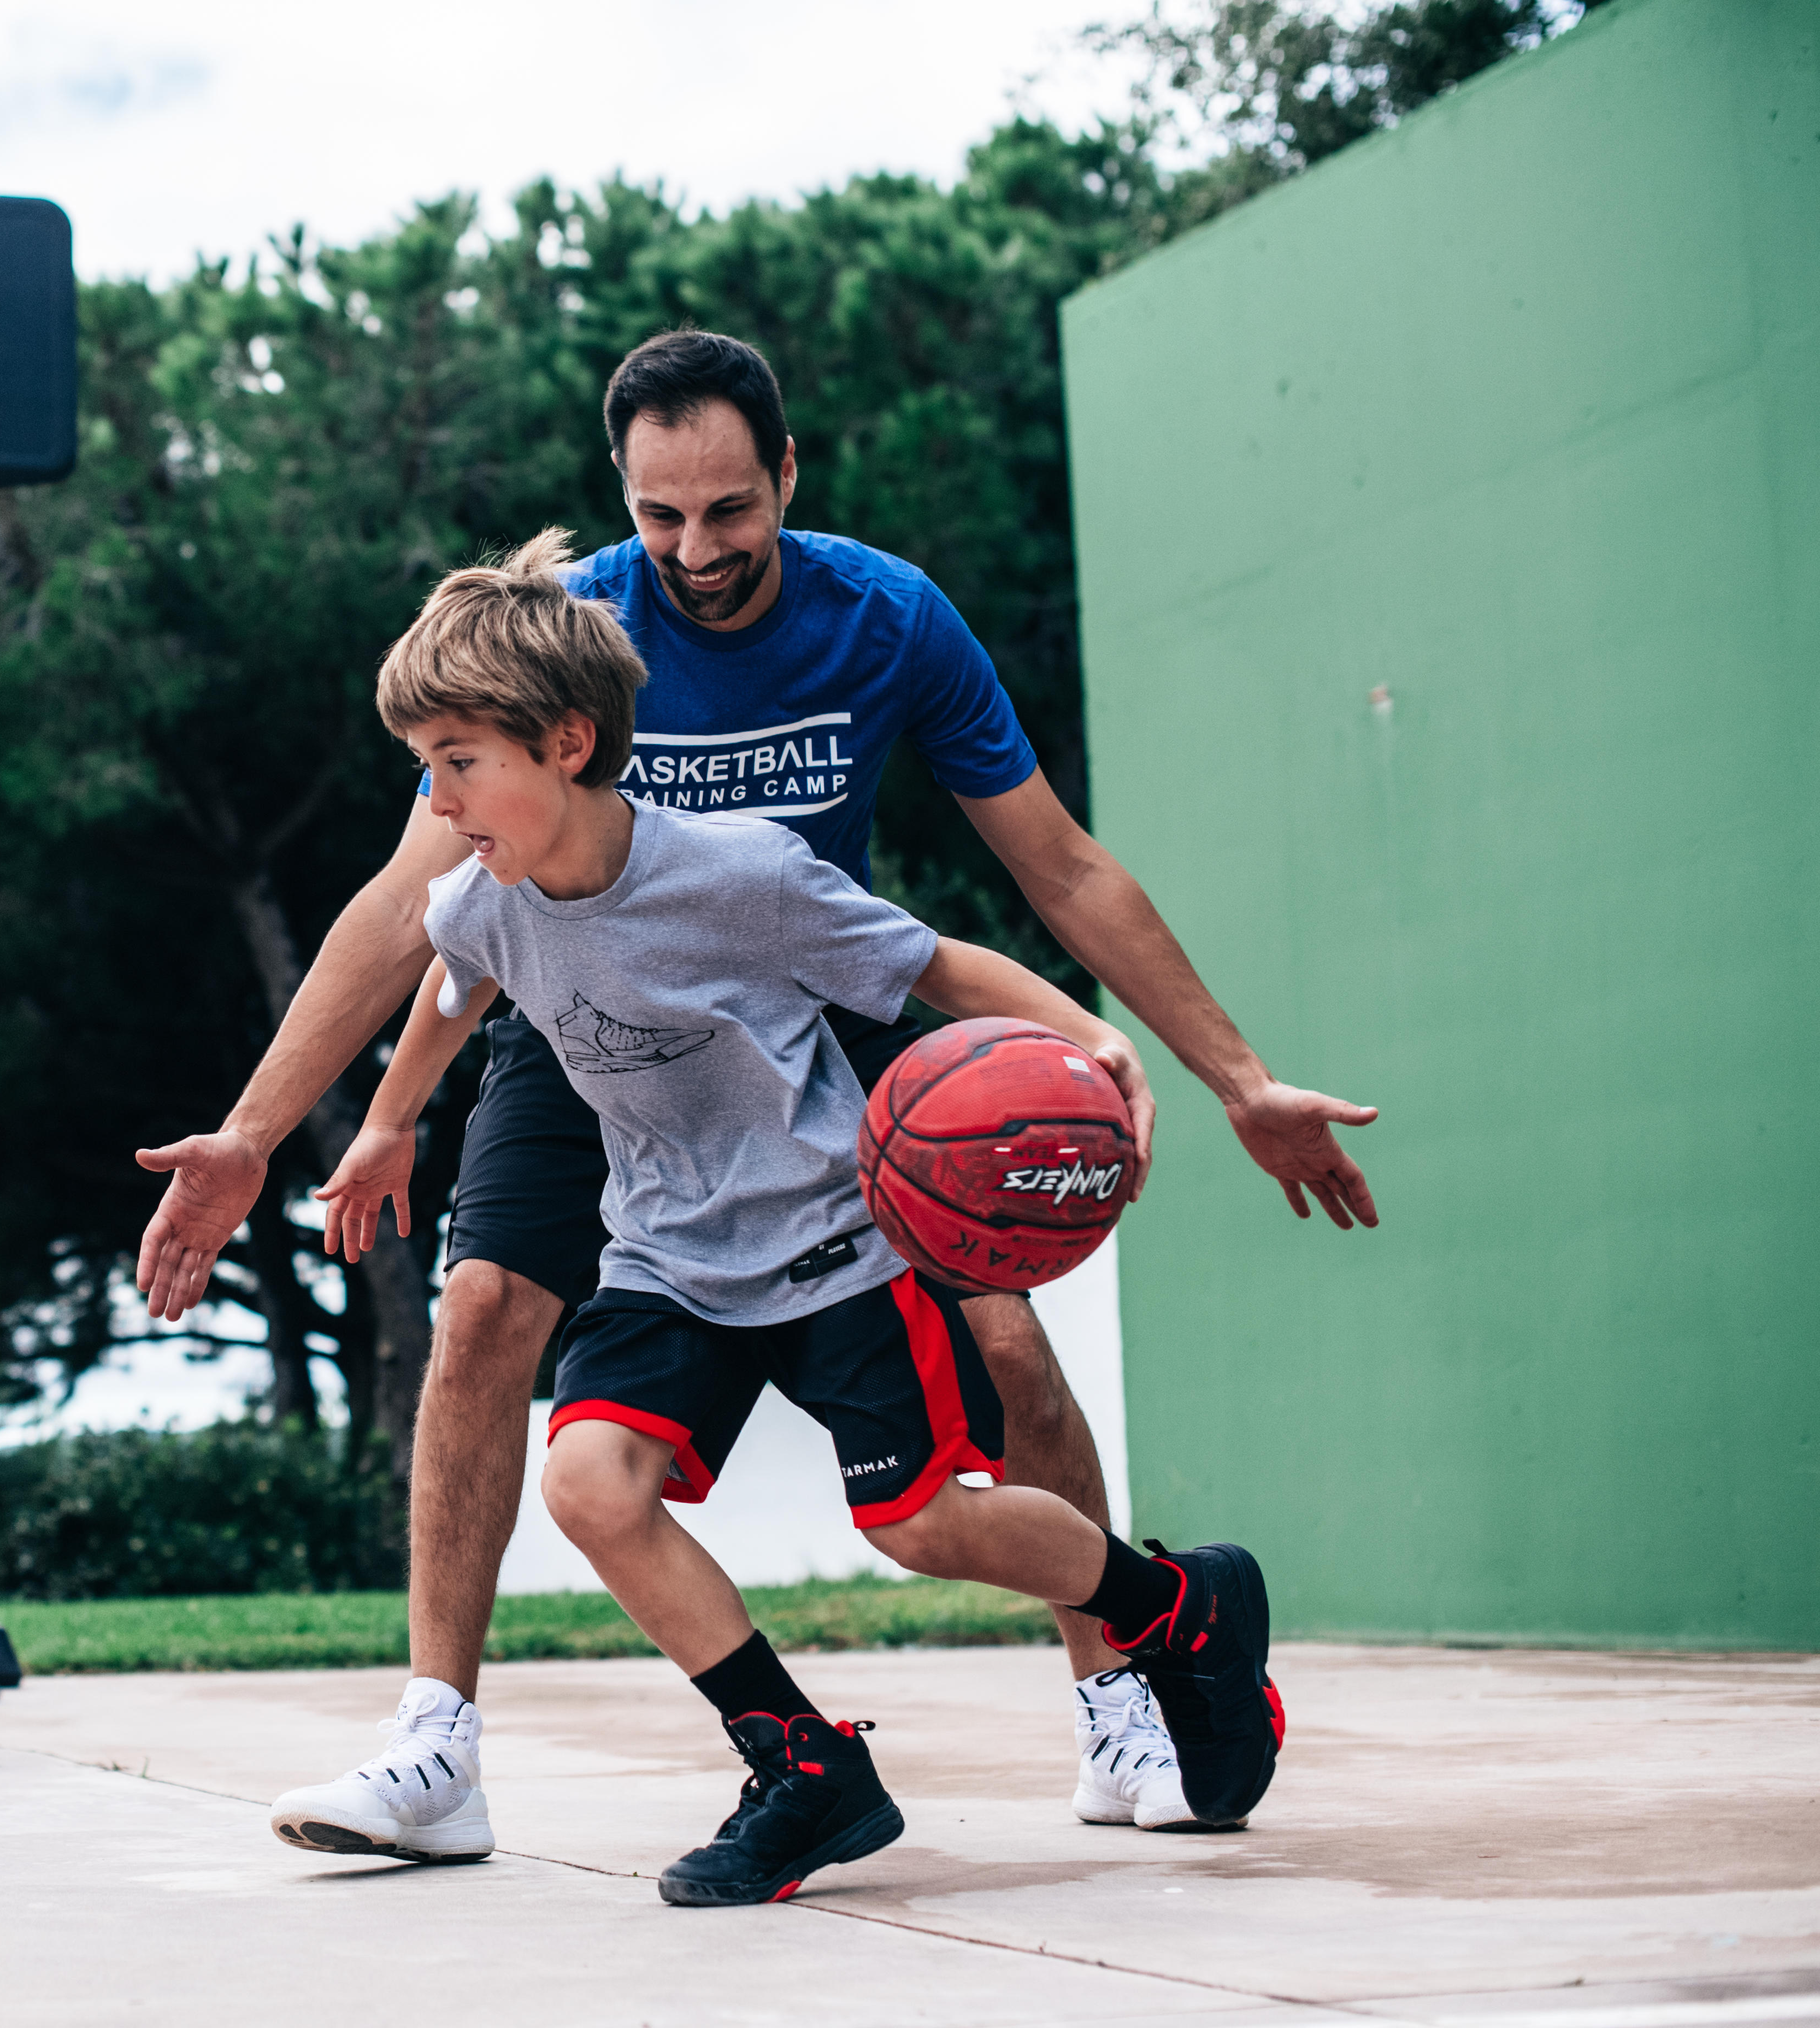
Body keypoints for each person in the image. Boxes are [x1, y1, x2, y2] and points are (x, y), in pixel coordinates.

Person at [135, 331, 1373, 1859]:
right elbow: (422, 920)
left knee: (1007, 1354)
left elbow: (1049, 866)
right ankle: (438, 1747)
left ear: (785, 476)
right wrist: (285, 1130)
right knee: (480, 1318)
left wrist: (1226, 1076)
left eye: (729, 510)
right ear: (622, 497)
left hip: (801, 1010)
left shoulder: (884, 620)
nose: (696, 549)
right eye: (661, 515)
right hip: (586, 1018)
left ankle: (1121, 1677)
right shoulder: (549, 646)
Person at [278, 533, 1283, 1902]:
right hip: (669, 1257)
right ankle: (803, 1762)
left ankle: (1181, 1606)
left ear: (568, 742)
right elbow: (451, 984)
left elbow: (932, 963)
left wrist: (1089, 1044)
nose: (436, 796)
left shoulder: (736, 875)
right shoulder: (488, 893)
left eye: (457, 759)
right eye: (425, 763)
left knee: (923, 1523)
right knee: (591, 1481)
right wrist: (392, 1118)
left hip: (836, 1246)